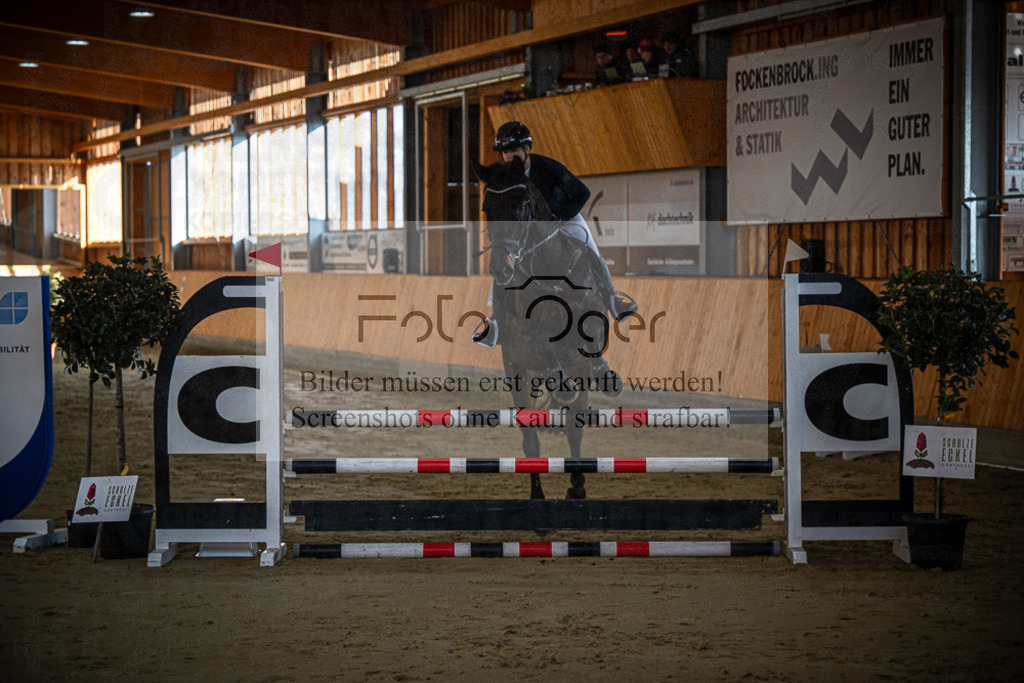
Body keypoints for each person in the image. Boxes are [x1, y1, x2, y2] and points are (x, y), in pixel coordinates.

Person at [475, 121, 638, 347]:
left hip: (563, 219)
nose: (508, 157)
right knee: (503, 265)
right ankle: (497, 323)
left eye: (513, 151)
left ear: (527, 149)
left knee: (589, 245)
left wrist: (558, 216)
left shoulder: (548, 167)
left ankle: (612, 299)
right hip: (528, 231)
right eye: (504, 152)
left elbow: (582, 193)